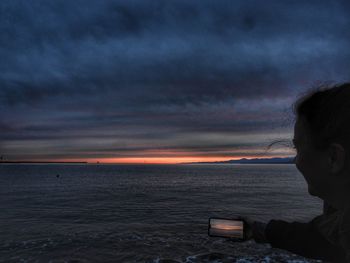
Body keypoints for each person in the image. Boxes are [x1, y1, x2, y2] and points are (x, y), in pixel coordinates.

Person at [249, 83, 350, 262]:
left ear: (333, 158)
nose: (297, 161)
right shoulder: (339, 225)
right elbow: (318, 238)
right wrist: (258, 230)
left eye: (298, 149)